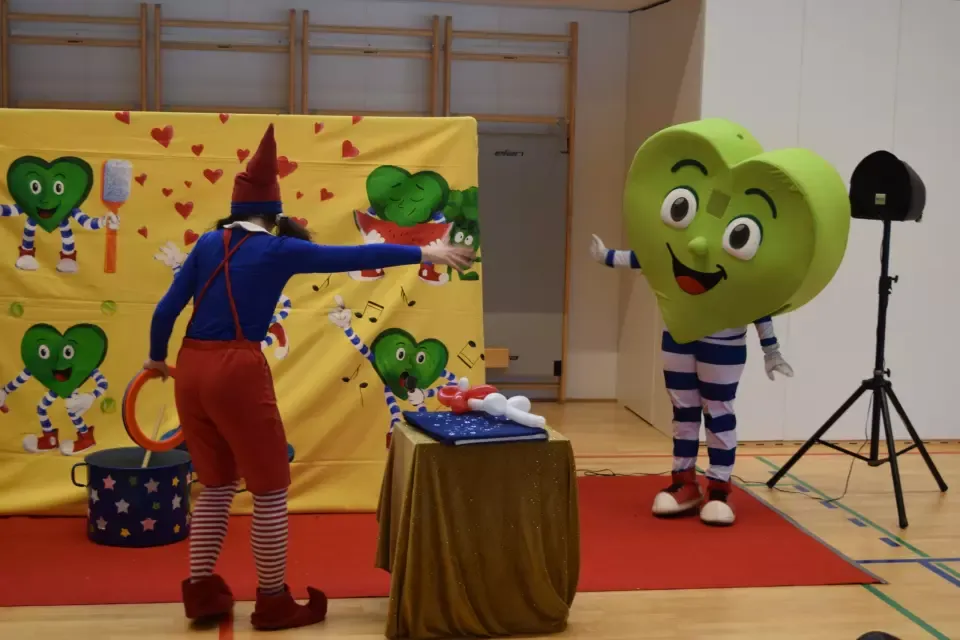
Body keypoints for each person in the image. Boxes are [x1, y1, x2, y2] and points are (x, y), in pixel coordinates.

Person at [144, 124, 474, 631]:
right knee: (270, 490)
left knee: (215, 486)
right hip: (236, 371)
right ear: (274, 214)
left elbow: (166, 310)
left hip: (190, 368)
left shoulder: (208, 243)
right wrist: (426, 253)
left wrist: (154, 360)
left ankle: (202, 591)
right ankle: (273, 600)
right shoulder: (278, 250)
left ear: (234, 209)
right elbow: (356, 256)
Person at [589, 234, 793, 526]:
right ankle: (683, 481)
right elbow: (655, 257)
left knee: (719, 412)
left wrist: (771, 349)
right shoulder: (686, 238)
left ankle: (719, 488)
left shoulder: (738, 246)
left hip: (723, 339)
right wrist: (608, 256)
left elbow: (756, 298)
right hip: (679, 334)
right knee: (683, 413)